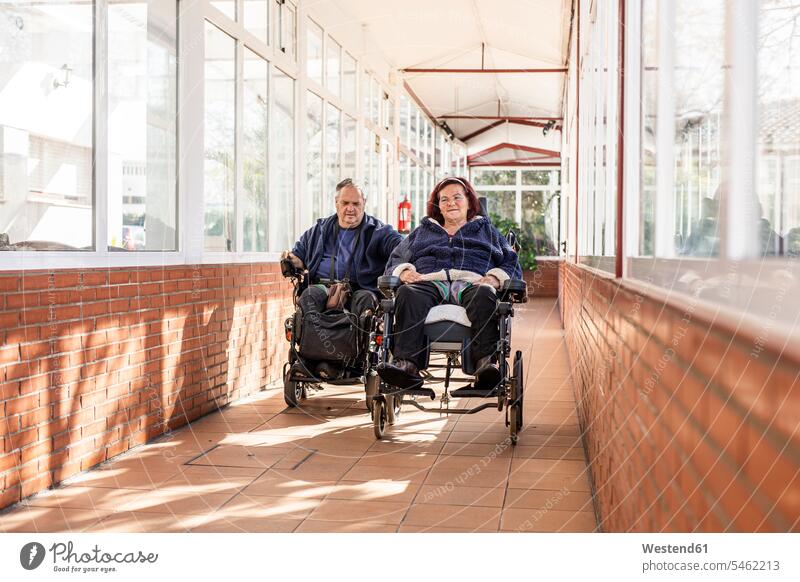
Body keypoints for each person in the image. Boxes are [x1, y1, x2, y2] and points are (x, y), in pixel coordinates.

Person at [378, 176, 521, 391]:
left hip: (472, 282)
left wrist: (494, 277)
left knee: (485, 295)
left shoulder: (487, 231)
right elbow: (396, 259)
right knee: (408, 294)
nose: (450, 203)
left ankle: (486, 365)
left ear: (470, 202)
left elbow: (511, 261)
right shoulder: (423, 232)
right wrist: (404, 271)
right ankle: (407, 366)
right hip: (430, 281)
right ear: (438, 206)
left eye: (456, 197)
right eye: (444, 199)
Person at [281, 178, 403, 376]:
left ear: (364, 204)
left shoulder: (378, 231)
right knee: (309, 296)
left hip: (359, 288)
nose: (350, 209)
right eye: (345, 203)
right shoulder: (319, 230)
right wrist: (291, 259)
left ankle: (352, 362)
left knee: (365, 301)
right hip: (322, 286)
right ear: (336, 203)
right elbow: (299, 256)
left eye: (356, 204)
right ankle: (308, 361)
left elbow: (400, 246)